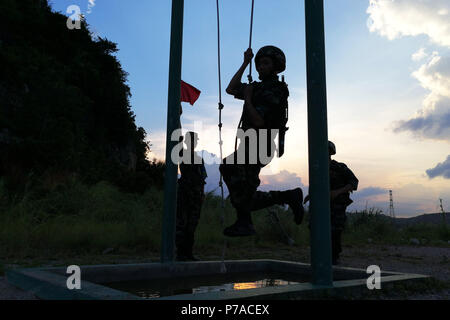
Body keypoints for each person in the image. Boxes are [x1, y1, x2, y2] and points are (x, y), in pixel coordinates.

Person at [219, 46, 305, 237]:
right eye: (258, 64)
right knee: (236, 180)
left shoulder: (277, 89)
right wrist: (245, 63)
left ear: (276, 66)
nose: (260, 67)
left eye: (265, 63)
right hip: (249, 143)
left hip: (261, 144)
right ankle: (286, 197)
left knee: (235, 178)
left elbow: (259, 121)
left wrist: (248, 99)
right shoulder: (257, 87)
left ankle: (245, 221)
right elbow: (231, 88)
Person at [304, 141, 359, 265]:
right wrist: (310, 195)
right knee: (315, 229)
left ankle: (334, 260)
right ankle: (319, 258)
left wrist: (337, 192)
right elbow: (316, 185)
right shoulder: (316, 167)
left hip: (336, 207)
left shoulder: (340, 167)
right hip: (319, 206)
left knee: (334, 232)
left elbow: (354, 182)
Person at [176, 131, 207, 261]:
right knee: (182, 224)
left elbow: (203, 178)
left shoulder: (199, 159)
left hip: (196, 196)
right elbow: (176, 142)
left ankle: (188, 253)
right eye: (191, 140)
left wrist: (202, 194)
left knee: (192, 225)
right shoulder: (182, 154)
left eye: (194, 140)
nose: (193, 143)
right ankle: (180, 253)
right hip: (184, 194)